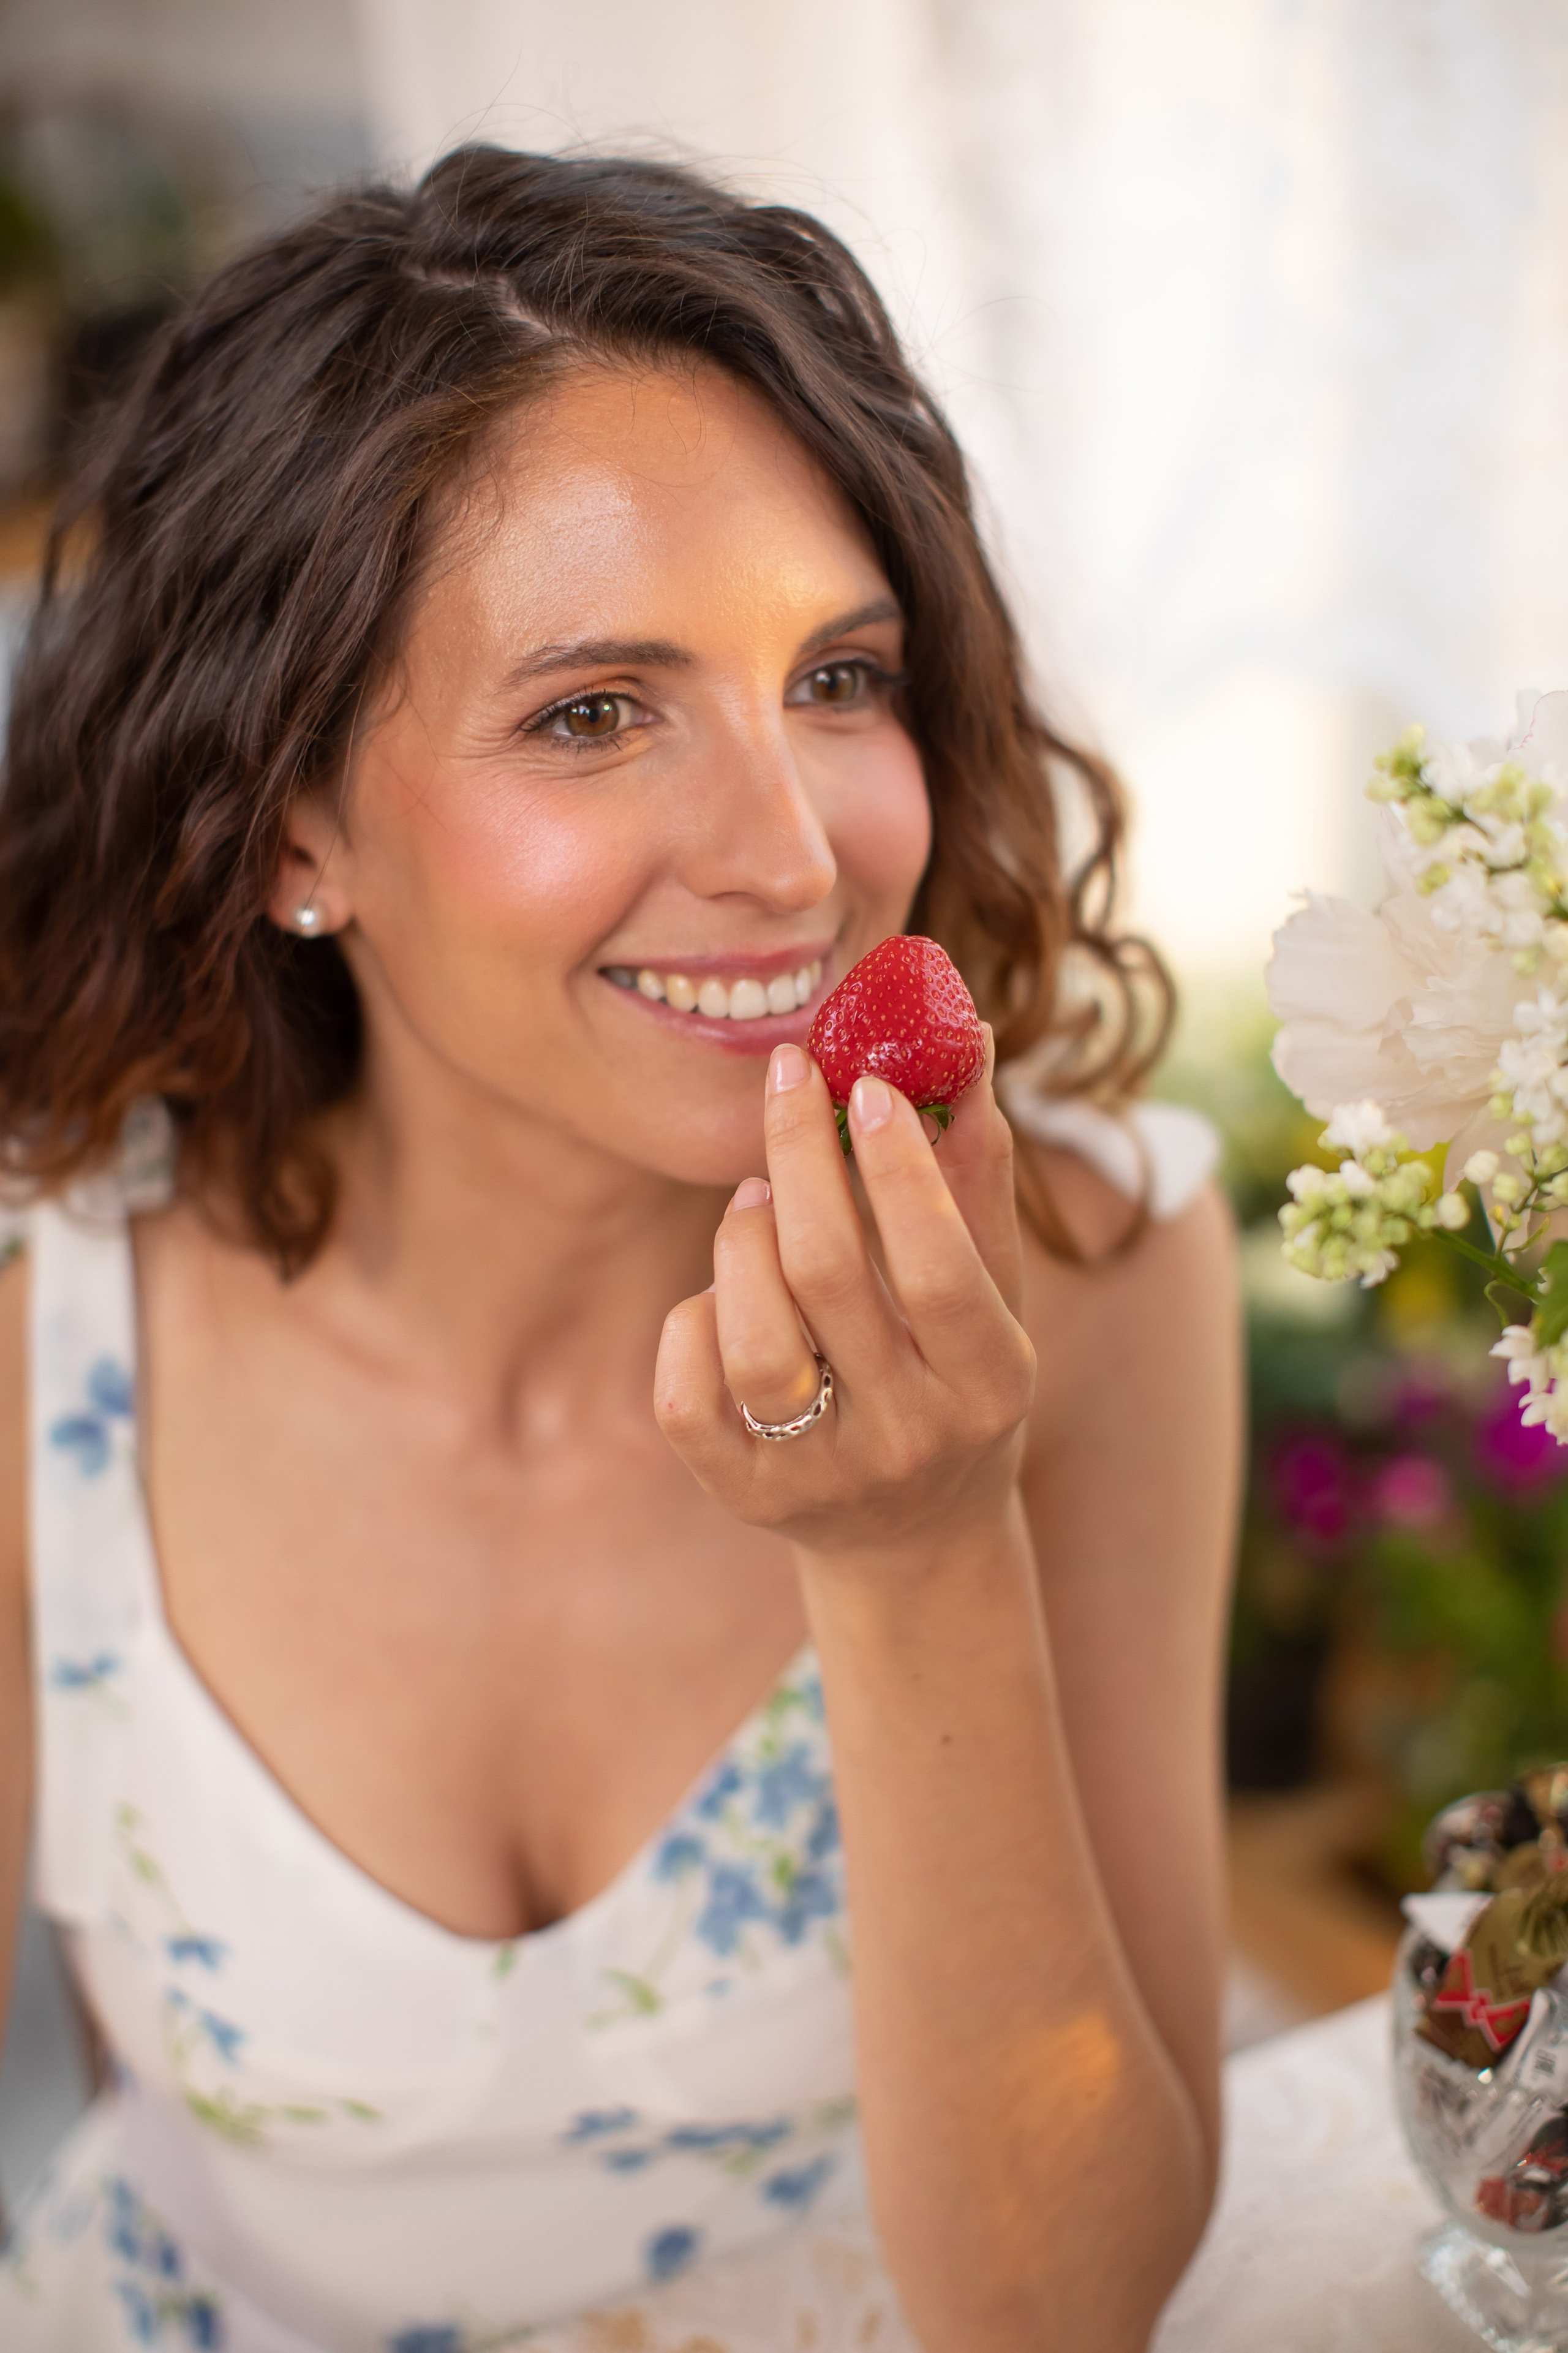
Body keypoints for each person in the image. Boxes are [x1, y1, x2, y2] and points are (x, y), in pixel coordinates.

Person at [0, 145, 1240, 2353]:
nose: (793, 854)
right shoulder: (43, 1315)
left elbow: (1068, 2308)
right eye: (594, 712)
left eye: (839, 680)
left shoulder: (1098, 1260)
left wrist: (919, 1544)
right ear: (294, 823)